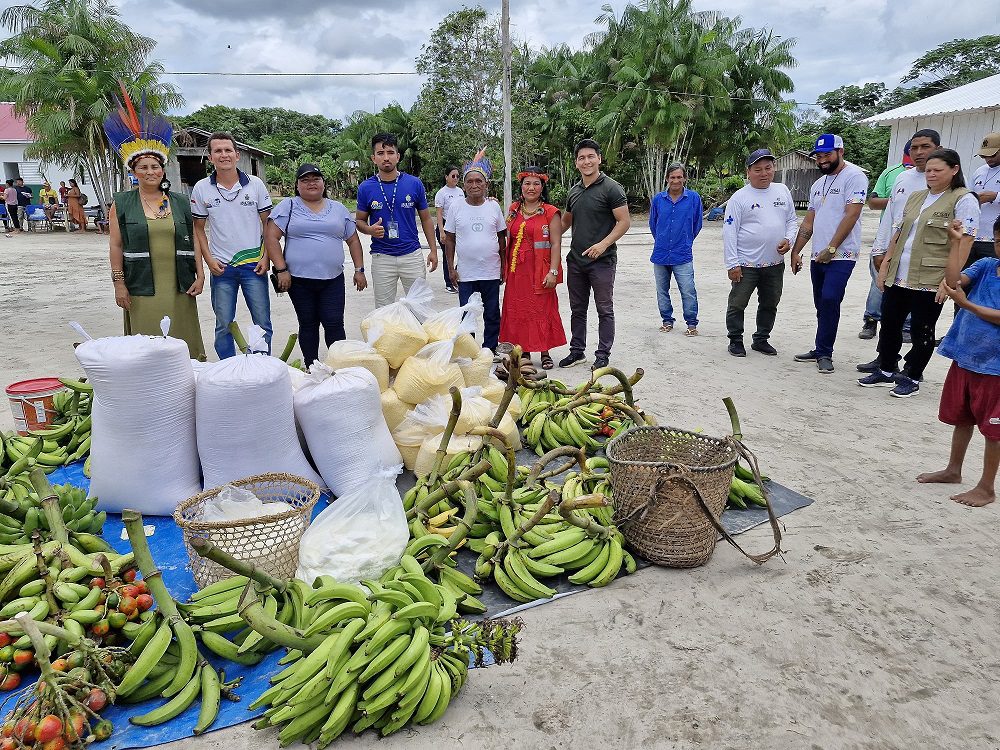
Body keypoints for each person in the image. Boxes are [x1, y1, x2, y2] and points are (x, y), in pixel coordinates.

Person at [858, 148, 979, 398]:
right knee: (890, 323)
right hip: (900, 273)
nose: (931, 174)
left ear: (954, 169)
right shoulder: (916, 197)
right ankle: (887, 368)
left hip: (931, 276)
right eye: (929, 170)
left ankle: (912, 375)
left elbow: (965, 241)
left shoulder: (963, 199)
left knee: (922, 328)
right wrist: (885, 267)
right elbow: (899, 233)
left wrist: (950, 281)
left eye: (938, 170)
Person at [103, 91, 206, 360]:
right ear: (134, 172)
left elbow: (194, 239)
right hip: (141, 286)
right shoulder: (122, 203)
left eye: (155, 166)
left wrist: (200, 274)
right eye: (143, 167)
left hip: (179, 284)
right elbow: (115, 245)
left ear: (162, 169)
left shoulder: (181, 201)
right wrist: (119, 284)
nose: (150, 172)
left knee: (182, 342)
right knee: (147, 346)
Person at [916, 215, 1000, 507]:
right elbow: (953, 281)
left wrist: (966, 305)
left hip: (996, 367)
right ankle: (954, 470)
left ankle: (987, 487)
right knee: (962, 418)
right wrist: (955, 244)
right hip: (966, 356)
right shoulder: (988, 266)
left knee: (994, 430)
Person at [264, 163, 367, 366]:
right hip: (299, 280)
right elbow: (271, 237)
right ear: (297, 185)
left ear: (323, 183)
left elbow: (353, 240)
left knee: (334, 323)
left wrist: (359, 270)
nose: (311, 183)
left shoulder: (338, 209)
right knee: (308, 324)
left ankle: (340, 365)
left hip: (333, 280)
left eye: (315, 179)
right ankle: (311, 366)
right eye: (305, 180)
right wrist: (281, 269)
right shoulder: (288, 206)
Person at [857, 129, 942, 373]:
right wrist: (879, 250)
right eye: (914, 148)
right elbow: (891, 218)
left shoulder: (951, 184)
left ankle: (913, 370)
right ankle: (886, 361)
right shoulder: (903, 179)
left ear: (938, 148)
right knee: (890, 315)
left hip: (927, 264)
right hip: (896, 258)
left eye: (925, 147)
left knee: (921, 322)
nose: (919, 152)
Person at [790, 134, 868, 374]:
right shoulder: (817, 184)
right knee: (820, 303)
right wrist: (796, 251)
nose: (822, 160)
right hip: (817, 255)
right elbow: (809, 220)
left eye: (827, 155)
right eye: (819, 156)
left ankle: (825, 352)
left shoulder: (855, 176)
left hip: (841, 254)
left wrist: (832, 247)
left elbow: (851, 214)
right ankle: (820, 346)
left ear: (840, 152)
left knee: (830, 299)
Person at [191, 132, 273, 359]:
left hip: (253, 266)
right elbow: (198, 228)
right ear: (210, 157)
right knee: (223, 324)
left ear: (237, 155)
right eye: (217, 151)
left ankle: (263, 367)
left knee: (262, 323)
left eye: (228, 150)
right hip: (222, 268)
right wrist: (209, 260)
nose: (223, 155)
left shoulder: (255, 184)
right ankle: (227, 369)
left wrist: (266, 257)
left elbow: (268, 224)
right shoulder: (201, 188)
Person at [559, 139, 630, 370]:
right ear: (576, 163)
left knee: (604, 309)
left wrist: (603, 244)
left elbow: (624, 221)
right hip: (576, 261)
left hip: (602, 261)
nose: (586, 161)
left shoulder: (612, 188)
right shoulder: (574, 191)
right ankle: (577, 351)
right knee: (577, 309)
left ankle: (602, 354)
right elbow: (564, 224)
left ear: (599, 159)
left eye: (591, 156)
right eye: (582, 158)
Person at [723, 149, 799, 357]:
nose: (764, 173)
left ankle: (761, 339)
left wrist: (789, 239)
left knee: (770, 302)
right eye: (758, 169)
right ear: (748, 172)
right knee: (737, 303)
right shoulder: (739, 198)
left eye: (768, 168)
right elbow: (729, 232)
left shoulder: (782, 191)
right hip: (746, 264)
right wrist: (732, 264)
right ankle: (735, 340)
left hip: (774, 263)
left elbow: (791, 220)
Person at [356, 133, 438, 308]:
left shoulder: (414, 183)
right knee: (384, 310)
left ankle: (420, 336)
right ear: (373, 158)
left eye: (390, 152)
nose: (386, 158)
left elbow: (426, 219)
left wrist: (433, 250)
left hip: (412, 254)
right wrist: (369, 230)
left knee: (420, 306)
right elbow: (359, 222)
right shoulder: (365, 188)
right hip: (382, 256)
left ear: (398, 156)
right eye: (380, 153)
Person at [499, 166, 566, 368]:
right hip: (516, 272)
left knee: (542, 310)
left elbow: (556, 244)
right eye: (527, 183)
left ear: (542, 187)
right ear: (521, 186)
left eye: (536, 183)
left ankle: (545, 352)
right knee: (519, 309)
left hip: (539, 270)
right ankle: (524, 351)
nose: (531, 187)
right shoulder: (513, 210)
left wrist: (553, 272)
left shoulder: (550, 213)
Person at [443, 152, 506, 352]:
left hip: (490, 271)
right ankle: (469, 350)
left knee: (492, 313)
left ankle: (490, 348)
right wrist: (450, 269)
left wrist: (503, 266)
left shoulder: (494, 207)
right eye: (469, 181)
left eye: (479, 180)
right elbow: (450, 240)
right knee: (467, 313)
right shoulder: (455, 206)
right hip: (466, 273)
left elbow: (502, 238)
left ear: (486, 185)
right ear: (464, 185)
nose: (474, 185)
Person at [860, 139, 912, 339]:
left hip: (914, 241)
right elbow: (872, 201)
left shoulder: (935, 175)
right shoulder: (892, 173)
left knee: (908, 283)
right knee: (878, 281)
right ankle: (871, 320)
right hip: (888, 234)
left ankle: (906, 325)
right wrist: (894, 200)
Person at [649, 163, 702, 335]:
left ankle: (691, 323)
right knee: (662, 290)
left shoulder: (693, 199)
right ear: (667, 179)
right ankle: (667, 320)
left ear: (685, 178)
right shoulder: (658, 200)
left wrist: (685, 241)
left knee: (688, 290)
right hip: (661, 253)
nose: (676, 180)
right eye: (673, 177)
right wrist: (663, 241)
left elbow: (697, 224)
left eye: (679, 177)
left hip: (682, 253)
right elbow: (653, 224)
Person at [969, 132, 1000, 267]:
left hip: (995, 240)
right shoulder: (979, 171)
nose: (988, 159)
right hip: (973, 237)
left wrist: (995, 196)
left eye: (992, 155)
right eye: (984, 156)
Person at [434, 166, 463, 293]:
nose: (455, 178)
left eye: (457, 176)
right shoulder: (442, 193)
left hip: (459, 226)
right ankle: (449, 282)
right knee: (448, 255)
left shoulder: (461, 191)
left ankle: (458, 277)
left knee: (462, 253)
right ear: (446, 177)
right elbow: (439, 214)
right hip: (446, 225)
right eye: (453, 176)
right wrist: (441, 231)